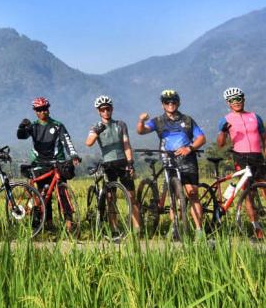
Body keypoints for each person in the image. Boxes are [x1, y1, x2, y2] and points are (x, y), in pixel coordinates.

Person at [137, 89, 206, 236]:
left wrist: (190, 148)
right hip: (169, 161)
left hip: (188, 160)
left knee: (192, 193)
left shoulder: (188, 120)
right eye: (167, 102)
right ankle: (175, 227)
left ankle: (200, 231)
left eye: (173, 101)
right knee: (174, 196)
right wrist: (141, 121)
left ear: (178, 103)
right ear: (163, 104)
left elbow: (201, 138)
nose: (170, 104)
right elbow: (141, 131)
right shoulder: (158, 121)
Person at [17, 96, 79, 231]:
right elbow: (21, 136)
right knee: (44, 195)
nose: (43, 111)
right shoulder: (33, 126)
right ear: (35, 111)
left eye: (45, 108)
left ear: (48, 109)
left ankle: (69, 223)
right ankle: (49, 225)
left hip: (57, 163)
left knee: (62, 193)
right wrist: (22, 127)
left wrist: (73, 155)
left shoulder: (57, 125)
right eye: (39, 109)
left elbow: (67, 142)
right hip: (40, 164)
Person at [83, 95, 141, 231]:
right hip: (108, 164)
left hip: (122, 162)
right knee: (111, 198)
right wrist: (97, 131)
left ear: (112, 109)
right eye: (102, 110)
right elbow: (88, 143)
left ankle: (138, 229)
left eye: (108, 109)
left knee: (131, 196)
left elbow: (126, 145)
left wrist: (130, 163)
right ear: (99, 111)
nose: (105, 112)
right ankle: (114, 229)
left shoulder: (120, 125)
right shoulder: (96, 126)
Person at [216, 87, 265, 230]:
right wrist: (224, 131)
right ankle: (256, 227)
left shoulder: (255, 117)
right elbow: (220, 144)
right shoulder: (225, 120)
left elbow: (264, 140)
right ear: (228, 103)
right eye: (232, 100)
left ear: (243, 99)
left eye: (239, 98)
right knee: (248, 192)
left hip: (257, 156)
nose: (236, 102)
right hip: (241, 157)